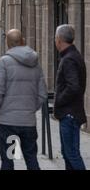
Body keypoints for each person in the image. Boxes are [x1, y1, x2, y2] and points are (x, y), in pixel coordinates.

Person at [0, 29, 48, 170]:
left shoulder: (3, 62)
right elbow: (42, 93)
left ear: (8, 43)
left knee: (9, 159)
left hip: (8, 123)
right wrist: (31, 109)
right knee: (31, 158)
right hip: (28, 122)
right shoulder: (35, 63)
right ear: (22, 41)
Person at [54, 25, 87, 170]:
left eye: (55, 38)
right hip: (71, 113)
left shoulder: (68, 59)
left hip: (69, 114)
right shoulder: (73, 55)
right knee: (68, 153)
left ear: (59, 40)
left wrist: (59, 101)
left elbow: (73, 86)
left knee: (72, 153)